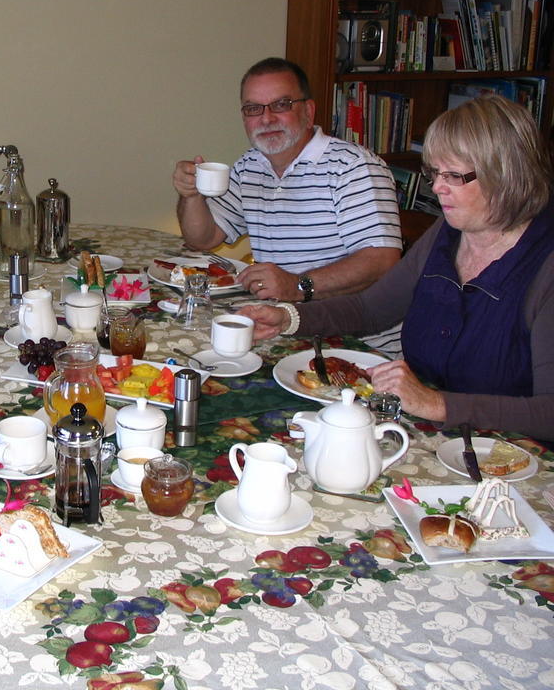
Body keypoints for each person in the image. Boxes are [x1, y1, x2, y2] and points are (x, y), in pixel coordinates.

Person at [243, 95, 554, 437]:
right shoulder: (448, 233)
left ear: (506, 175)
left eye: (453, 175)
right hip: (432, 437)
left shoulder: (544, 266)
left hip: (515, 461)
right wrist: (289, 317)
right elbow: (372, 309)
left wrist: (436, 403)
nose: (436, 188)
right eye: (434, 172)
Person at [172, 57, 403, 352]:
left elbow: (382, 262)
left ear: (308, 111)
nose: (266, 119)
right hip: (285, 330)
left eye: (281, 105)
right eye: (254, 109)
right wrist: (191, 195)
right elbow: (202, 239)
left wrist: (297, 285)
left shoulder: (354, 168)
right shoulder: (249, 167)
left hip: (357, 344)